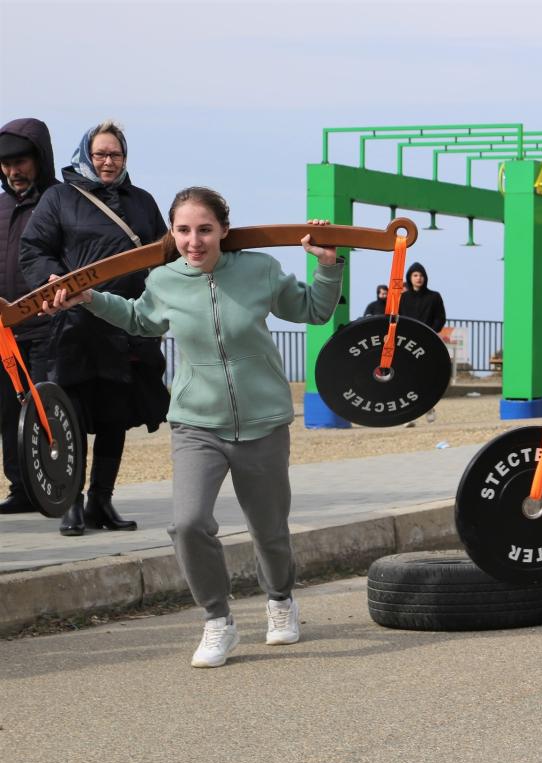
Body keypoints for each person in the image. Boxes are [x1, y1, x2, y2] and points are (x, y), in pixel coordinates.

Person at [44, 187, 343, 668]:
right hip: (195, 423)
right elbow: (141, 319)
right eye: (183, 230)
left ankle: (281, 601)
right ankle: (217, 621)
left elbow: (314, 311)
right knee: (186, 524)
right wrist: (90, 299)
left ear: (224, 230)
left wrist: (327, 266)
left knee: (268, 529)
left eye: (204, 229)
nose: (194, 241)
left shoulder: (260, 271)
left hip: (263, 421)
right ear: (172, 233)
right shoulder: (163, 280)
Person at [20, 120, 169, 536]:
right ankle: (72, 500)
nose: (108, 162)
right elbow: (34, 249)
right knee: (71, 413)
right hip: (74, 327)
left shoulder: (141, 201)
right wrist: (50, 279)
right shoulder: (59, 198)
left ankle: (102, 501)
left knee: (114, 416)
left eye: (115, 155)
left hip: (127, 325)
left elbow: (163, 255)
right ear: (86, 154)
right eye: (101, 154)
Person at [0, 118, 56, 514]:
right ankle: (20, 490)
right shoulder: (0, 208)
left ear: (39, 158)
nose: (13, 171)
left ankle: (57, 489)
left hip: (50, 326)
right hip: (4, 331)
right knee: (8, 413)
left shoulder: (61, 201)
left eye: (20, 160)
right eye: (5, 163)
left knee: (48, 409)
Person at [397, 262, 445, 332]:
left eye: (421, 275)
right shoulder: (402, 297)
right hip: (407, 336)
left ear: (425, 278)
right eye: (415, 275)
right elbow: (398, 317)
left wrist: (431, 331)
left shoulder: (434, 296)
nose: (419, 278)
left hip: (427, 336)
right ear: (409, 277)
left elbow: (440, 318)